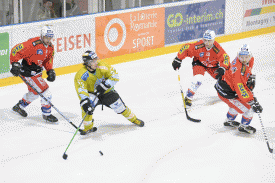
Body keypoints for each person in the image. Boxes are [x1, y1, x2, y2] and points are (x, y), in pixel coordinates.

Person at [74, 50, 144, 134]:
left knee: (120, 107)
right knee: (87, 108)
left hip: (107, 92)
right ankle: (88, 127)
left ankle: (134, 119)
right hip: (93, 94)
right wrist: (85, 100)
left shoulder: (103, 66)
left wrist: (105, 85)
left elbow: (115, 76)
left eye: (96, 59)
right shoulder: (81, 75)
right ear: (87, 63)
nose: (96, 62)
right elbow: (81, 89)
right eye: (93, 61)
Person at [10, 25, 58, 123]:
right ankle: (47, 114)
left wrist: (50, 70)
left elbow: (48, 60)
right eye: (46, 37)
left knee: (34, 93)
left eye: (50, 37)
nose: (48, 40)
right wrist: (15, 63)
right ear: (42, 36)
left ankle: (18, 107)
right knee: (46, 92)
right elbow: (15, 50)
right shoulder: (32, 44)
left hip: (37, 73)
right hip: (29, 73)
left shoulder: (50, 47)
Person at [172, 30, 230, 107]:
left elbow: (226, 58)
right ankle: (189, 97)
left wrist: (223, 68)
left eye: (209, 41)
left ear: (213, 40)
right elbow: (186, 47)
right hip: (199, 63)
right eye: (205, 40)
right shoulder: (198, 45)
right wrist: (178, 58)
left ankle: (231, 91)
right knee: (197, 80)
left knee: (225, 78)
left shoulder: (217, 49)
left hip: (213, 66)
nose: (207, 43)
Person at [214, 44, 263, 134]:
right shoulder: (238, 70)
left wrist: (247, 79)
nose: (244, 59)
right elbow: (240, 89)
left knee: (235, 105)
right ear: (238, 56)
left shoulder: (250, 60)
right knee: (249, 109)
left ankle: (228, 121)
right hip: (226, 92)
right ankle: (244, 126)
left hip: (227, 88)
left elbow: (245, 74)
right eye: (241, 57)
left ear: (250, 55)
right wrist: (251, 101)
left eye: (246, 57)